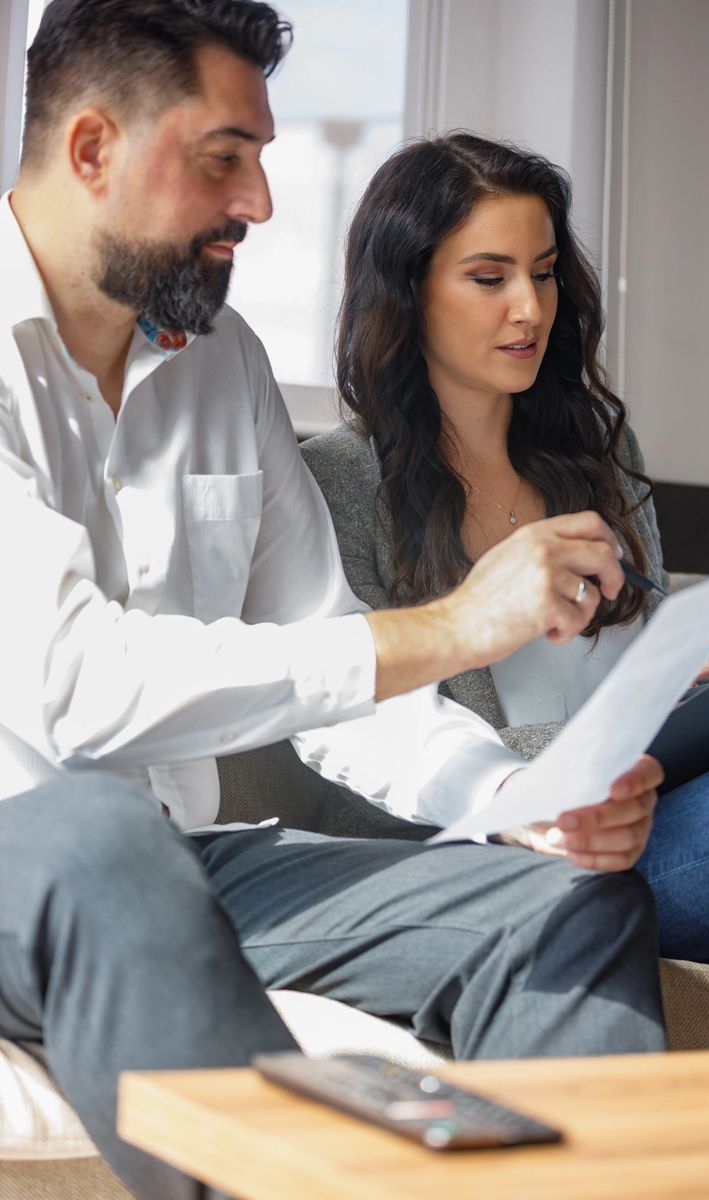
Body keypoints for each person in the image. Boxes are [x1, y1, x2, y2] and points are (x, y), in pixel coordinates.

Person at [0, 5, 670, 1197]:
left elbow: (335, 675)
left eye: (260, 156)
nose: (259, 201)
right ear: (92, 147)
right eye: (223, 158)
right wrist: (456, 626)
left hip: (183, 860)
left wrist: (518, 799)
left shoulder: (227, 366)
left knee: (566, 903)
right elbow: (72, 689)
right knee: (97, 834)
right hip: (36, 850)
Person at [300, 131, 709, 1045]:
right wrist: (614, 724)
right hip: (502, 862)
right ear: (407, 289)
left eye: (542, 272)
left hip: (656, 807)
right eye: (488, 278)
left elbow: (637, 675)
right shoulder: (335, 482)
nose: (529, 307)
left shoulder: (599, 457)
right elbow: (362, 755)